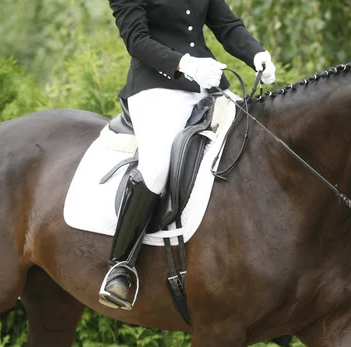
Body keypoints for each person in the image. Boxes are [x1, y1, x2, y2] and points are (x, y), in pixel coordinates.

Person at [99, 0, 277, 310]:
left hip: (207, 85)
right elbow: (135, 40)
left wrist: (256, 53)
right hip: (156, 87)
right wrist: (185, 64)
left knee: (256, 140)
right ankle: (121, 266)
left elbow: (227, 26)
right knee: (155, 168)